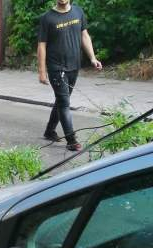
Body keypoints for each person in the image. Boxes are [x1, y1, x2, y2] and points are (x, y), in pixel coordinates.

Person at [38, 0, 102, 151]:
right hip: (56, 67)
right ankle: (71, 140)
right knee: (64, 102)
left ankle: (49, 130)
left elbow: (84, 35)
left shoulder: (78, 12)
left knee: (61, 100)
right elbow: (42, 45)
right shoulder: (47, 18)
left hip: (74, 66)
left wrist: (92, 58)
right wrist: (42, 71)